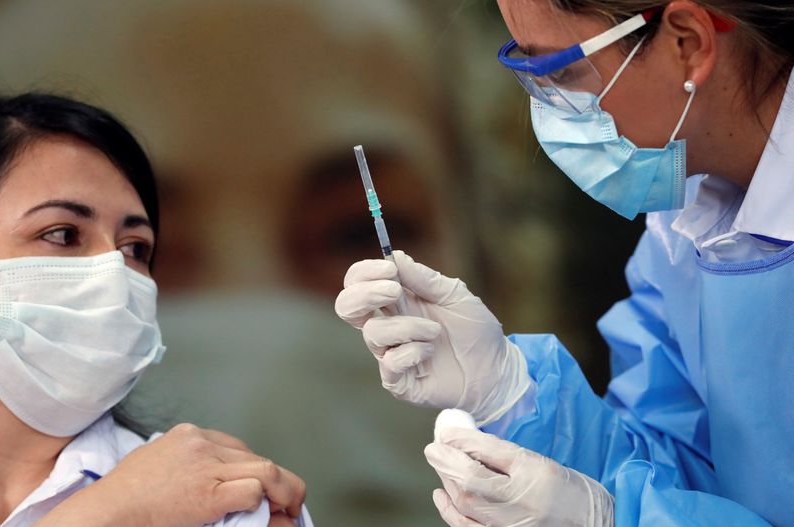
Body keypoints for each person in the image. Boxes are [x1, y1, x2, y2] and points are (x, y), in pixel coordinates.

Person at [336, 1, 794, 525]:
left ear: (687, 42)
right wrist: (509, 395)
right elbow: (675, 468)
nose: (549, 110)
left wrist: (615, 520)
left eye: (561, 71)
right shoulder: (687, 230)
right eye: (528, 71)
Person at [0, 93, 311, 527]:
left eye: (135, 248)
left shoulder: (225, 504)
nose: (114, 274)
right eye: (62, 234)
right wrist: (114, 512)